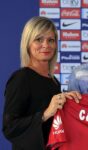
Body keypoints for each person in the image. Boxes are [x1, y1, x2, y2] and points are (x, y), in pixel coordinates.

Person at [2, 16, 81, 150]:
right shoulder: (21, 78)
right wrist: (45, 114)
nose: (46, 45)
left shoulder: (53, 81)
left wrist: (69, 103)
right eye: (39, 39)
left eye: (51, 40)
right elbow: (10, 128)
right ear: (28, 43)